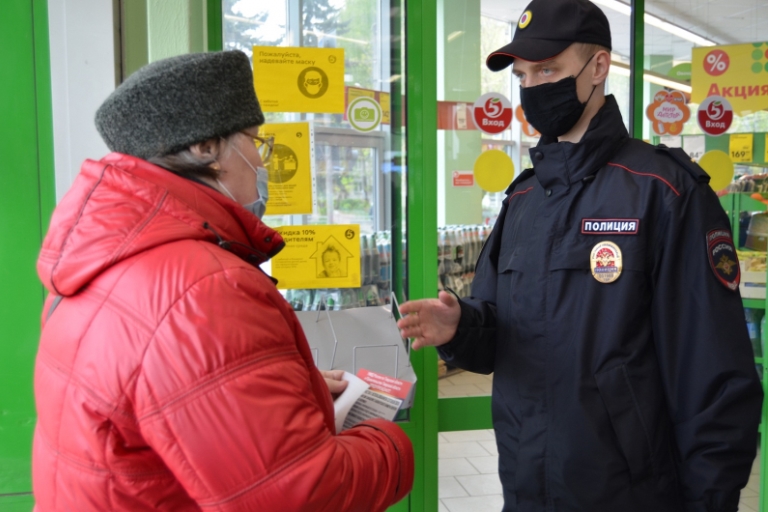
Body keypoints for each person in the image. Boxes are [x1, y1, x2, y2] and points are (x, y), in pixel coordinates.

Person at [397, 0, 762, 510]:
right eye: (523, 75)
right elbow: (508, 333)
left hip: (631, 493)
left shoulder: (664, 192)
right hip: (527, 484)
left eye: (548, 69)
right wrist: (461, 327)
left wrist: (710, 500)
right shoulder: (522, 200)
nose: (532, 88)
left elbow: (714, 374)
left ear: (597, 67)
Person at [33, 51, 413, 512]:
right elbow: (300, 496)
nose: (261, 158)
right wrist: (387, 442)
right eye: (255, 139)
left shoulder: (100, 260)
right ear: (206, 148)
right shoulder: (206, 288)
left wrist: (296, 391)